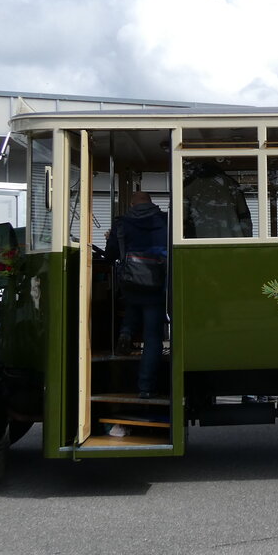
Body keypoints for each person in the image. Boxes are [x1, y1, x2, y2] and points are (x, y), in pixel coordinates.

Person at [106, 191, 168, 399]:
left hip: (131, 283)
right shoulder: (165, 221)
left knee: (133, 303)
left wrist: (112, 238)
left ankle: (126, 332)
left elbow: (110, 255)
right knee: (152, 337)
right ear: (152, 202)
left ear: (132, 203)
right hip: (157, 284)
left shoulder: (122, 223)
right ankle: (145, 387)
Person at [183, 160, 253, 238]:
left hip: (198, 239)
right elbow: (244, 217)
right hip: (232, 238)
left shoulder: (188, 186)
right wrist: (247, 240)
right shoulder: (231, 184)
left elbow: (181, 217)